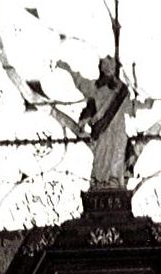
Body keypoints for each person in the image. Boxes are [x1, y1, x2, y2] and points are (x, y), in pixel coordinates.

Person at [57, 55, 134, 188]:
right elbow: (80, 82)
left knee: (117, 155)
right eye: (105, 66)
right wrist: (68, 69)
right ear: (101, 68)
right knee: (101, 156)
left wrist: (146, 105)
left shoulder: (122, 91)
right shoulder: (95, 88)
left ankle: (114, 181)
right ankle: (99, 182)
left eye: (111, 66)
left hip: (118, 130)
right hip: (101, 131)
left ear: (116, 68)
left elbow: (130, 108)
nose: (108, 68)